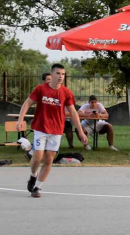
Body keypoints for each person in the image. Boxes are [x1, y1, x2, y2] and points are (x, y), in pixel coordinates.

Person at [16, 63, 88, 198]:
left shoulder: (66, 92)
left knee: (49, 160)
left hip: (56, 130)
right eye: (58, 73)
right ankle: (33, 176)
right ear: (51, 74)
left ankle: (37, 187)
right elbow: (27, 103)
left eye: (63, 74)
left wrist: (80, 131)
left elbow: (73, 112)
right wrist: (20, 120)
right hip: (41, 128)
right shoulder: (40, 89)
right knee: (37, 158)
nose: (61, 76)